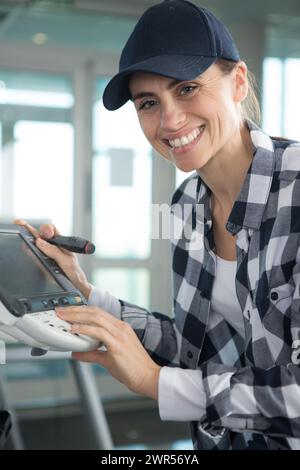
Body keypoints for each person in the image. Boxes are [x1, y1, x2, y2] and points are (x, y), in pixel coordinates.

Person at [18, 0, 300, 451]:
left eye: (187, 89)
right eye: (149, 102)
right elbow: (193, 348)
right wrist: (88, 296)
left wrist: (156, 382)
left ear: (239, 83)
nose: (169, 120)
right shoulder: (185, 204)